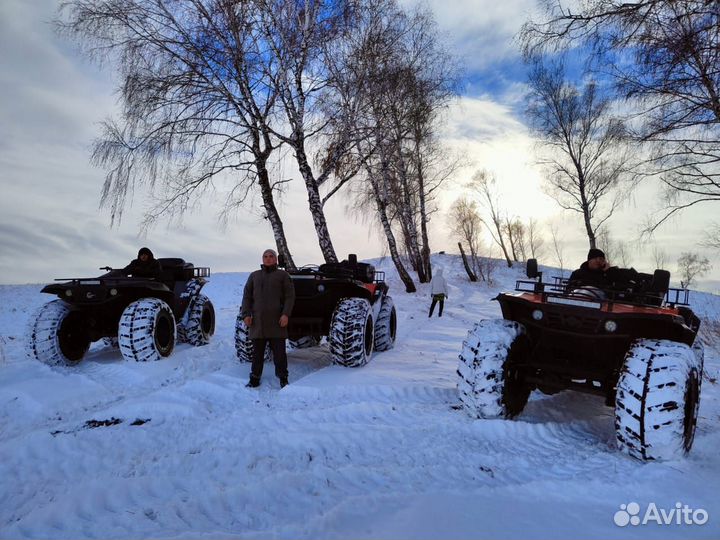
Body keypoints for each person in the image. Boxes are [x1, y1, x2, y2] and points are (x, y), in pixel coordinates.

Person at [241, 249, 296, 388]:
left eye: (271, 256)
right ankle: (254, 378)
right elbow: (247, 296)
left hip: (276, 321)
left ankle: (283, 378)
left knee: (280, 355)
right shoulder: (254, 276)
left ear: (276, 259)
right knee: (257, 354)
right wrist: (246, 314)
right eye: (265, 256)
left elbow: (290, 297)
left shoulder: (283, 275)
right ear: (262, 259)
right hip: (258, 322)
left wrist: (285, 314)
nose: (268, 259)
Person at [568, 248, 638, 293]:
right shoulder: (578, 273)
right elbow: (568, 289)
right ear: (589, 260)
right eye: (596, 258)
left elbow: (619, 281)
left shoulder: (606, 274)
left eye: (601, 259)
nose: (598, 261)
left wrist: (609, 270)